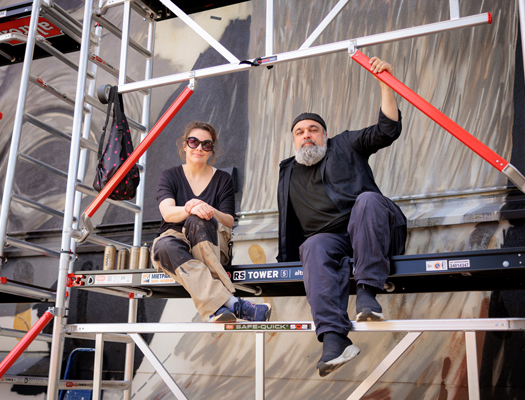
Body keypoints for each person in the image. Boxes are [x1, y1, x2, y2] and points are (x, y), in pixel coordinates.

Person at [276, 57, 407, 377]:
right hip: (333, 243)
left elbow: (387, 129)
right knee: (313, 246)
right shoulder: (288, 171)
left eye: (313, 130)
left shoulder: (346, 143)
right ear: (294, 140)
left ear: (325, 134)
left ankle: (367, 295)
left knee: (365, 201)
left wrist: (385, 82)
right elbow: (290, 226)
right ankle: (334, 340)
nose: (306, 135)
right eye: (299, 132)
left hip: (374, 225)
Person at [151, 121, 271, 323]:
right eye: (193, 142)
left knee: (198, 218)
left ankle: (220, 306)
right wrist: (190, 206)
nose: (199, 148)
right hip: (175, 244)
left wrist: (207, 209)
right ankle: (233, 305)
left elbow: (229, 221)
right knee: (162, 246)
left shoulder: (223, 179)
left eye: (206, 144)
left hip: (210, 242)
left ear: (211, 150)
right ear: (184, 145)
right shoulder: (169, 176)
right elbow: (168, 214)